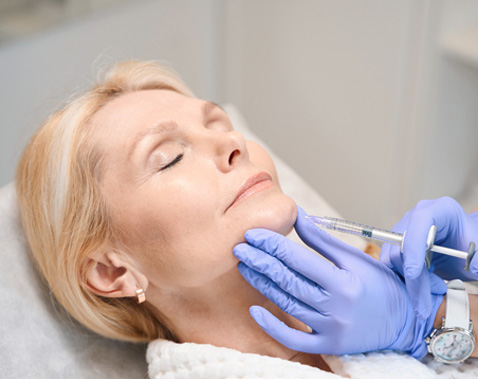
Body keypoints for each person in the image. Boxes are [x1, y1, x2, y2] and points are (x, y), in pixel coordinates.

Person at [14, 60, 465, 375]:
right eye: (170, 157)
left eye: (218, 124)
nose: (234, 145)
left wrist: (447, 315)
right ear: (113, 270)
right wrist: (427, 323)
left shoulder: (386, 288)